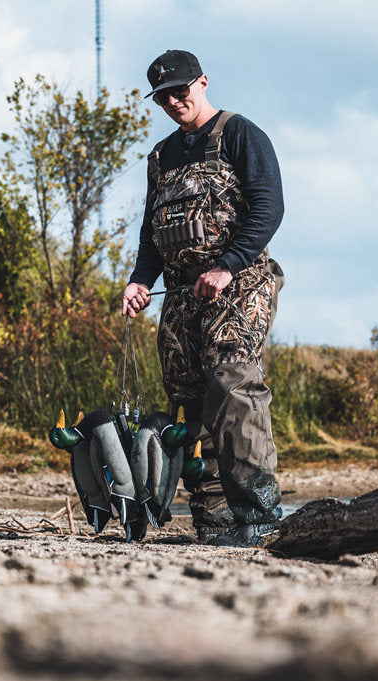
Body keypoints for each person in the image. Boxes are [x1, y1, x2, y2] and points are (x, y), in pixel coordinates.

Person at [120, 49, 285, 547]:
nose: (173, 101)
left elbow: (269, 207)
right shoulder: (161, 156)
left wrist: (227, 267)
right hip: (180, 292)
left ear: (203, 81)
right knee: (188, 400)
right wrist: (139, 280)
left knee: (232, 383)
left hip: (240, 282)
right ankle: (213, 519)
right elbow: (152, 232)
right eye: (163, 96)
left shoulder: (240, 134)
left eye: (181, 90)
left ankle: (258, 516)